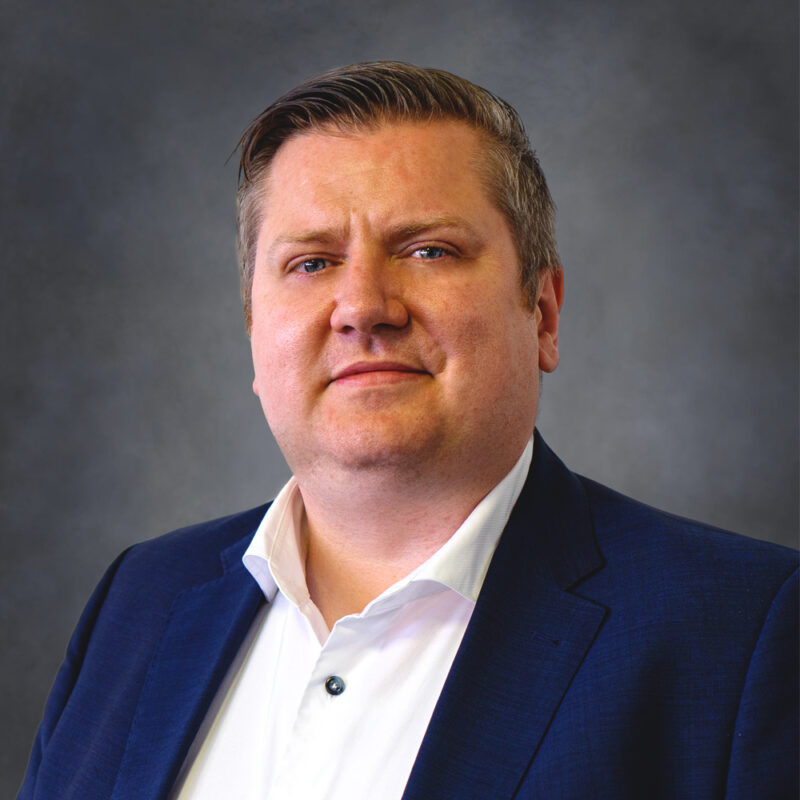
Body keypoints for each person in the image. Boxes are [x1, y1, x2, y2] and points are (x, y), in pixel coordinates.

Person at [19, 62, 797, 800]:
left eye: (429, 250)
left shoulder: (743, 634)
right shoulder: (140, 601)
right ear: (255, 333)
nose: (364, 307)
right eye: (312, 263)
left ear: (543, 314)